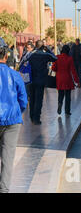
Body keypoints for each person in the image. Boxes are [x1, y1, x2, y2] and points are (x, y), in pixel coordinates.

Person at [0, 42, 28, 193]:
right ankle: (3, 189)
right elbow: (23, 100)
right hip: (12, 121)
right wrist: (17, 112)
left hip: (10, 119)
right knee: (8, 157)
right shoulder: (15, 75)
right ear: (6, 55)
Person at [27, 40, 57, 125]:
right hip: (41, 80)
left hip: (31, 79)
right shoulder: (45, 55)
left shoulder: (31, 54)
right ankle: (36, 119)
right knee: (39, 100)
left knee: (32, 99)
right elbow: (55, 58)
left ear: (35, 46)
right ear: (43, 47)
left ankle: (32, 117)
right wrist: (48, 50)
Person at [52, 45, 79, 116]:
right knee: (68, 96)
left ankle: (60, 104)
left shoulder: (57, 57)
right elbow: (73, 70)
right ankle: (67, 111)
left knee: (60, 94)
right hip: (67, 79)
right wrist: (77, 81)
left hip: (59, 79)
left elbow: (53, 68)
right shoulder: (70, 59)